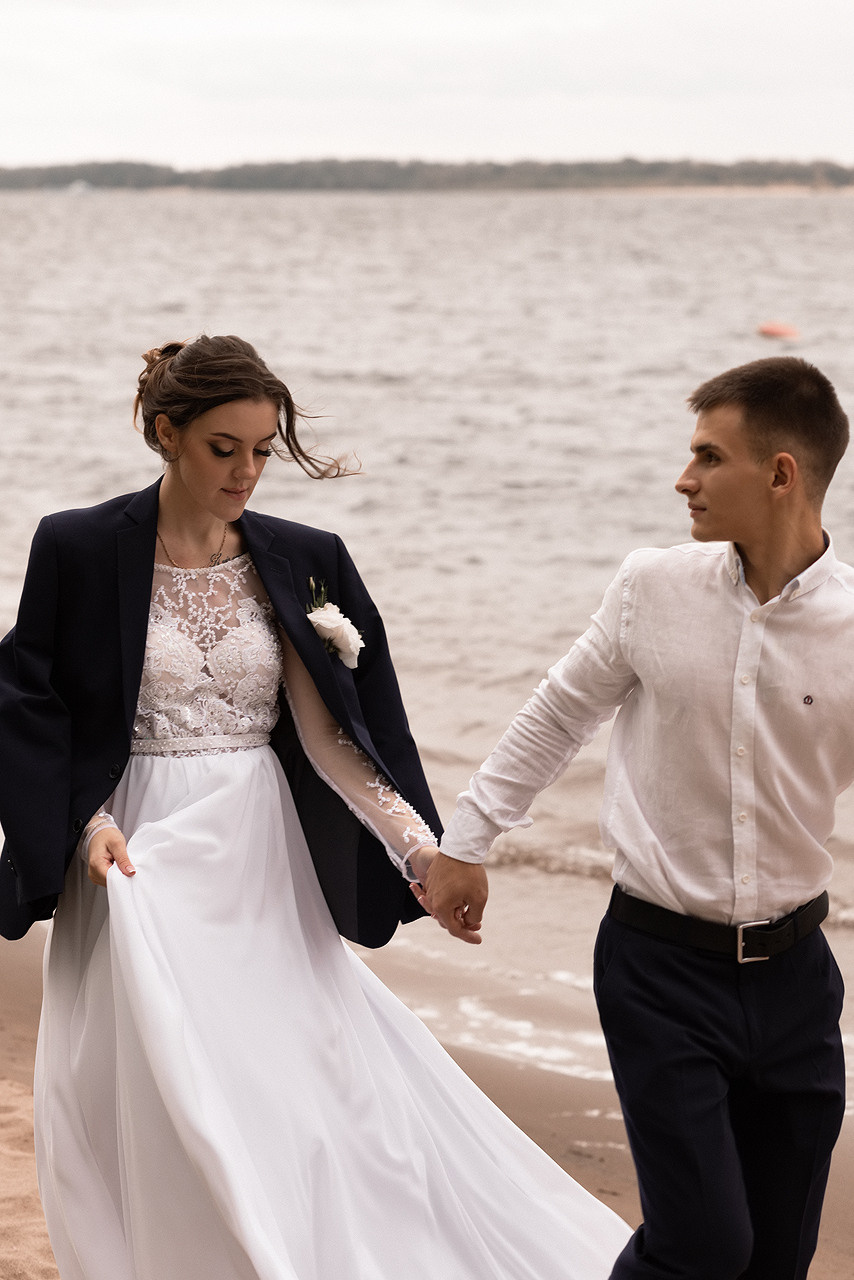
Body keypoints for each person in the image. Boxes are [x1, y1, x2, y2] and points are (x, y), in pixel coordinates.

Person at [0, 334, 630, 1280]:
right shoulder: (78, 545)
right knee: (136, 1082)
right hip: (131, 851)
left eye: (263, 449)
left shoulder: (305, 556)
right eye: (224, 448)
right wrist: (86, 823)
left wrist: (423, 854)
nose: (247, 472)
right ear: (166, 433)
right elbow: (29, 704)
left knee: (290, 1077)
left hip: (257, 853)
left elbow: (340, 740)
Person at [423, 355, 852, 1280]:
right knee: (704, 1245)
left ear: (781, 474)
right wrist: (466, 841)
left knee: (775, 1259)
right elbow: (558, 713)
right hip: (660, 969)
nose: (683, 478)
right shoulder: (652, 587)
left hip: (797, 982)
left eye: (709, 457)